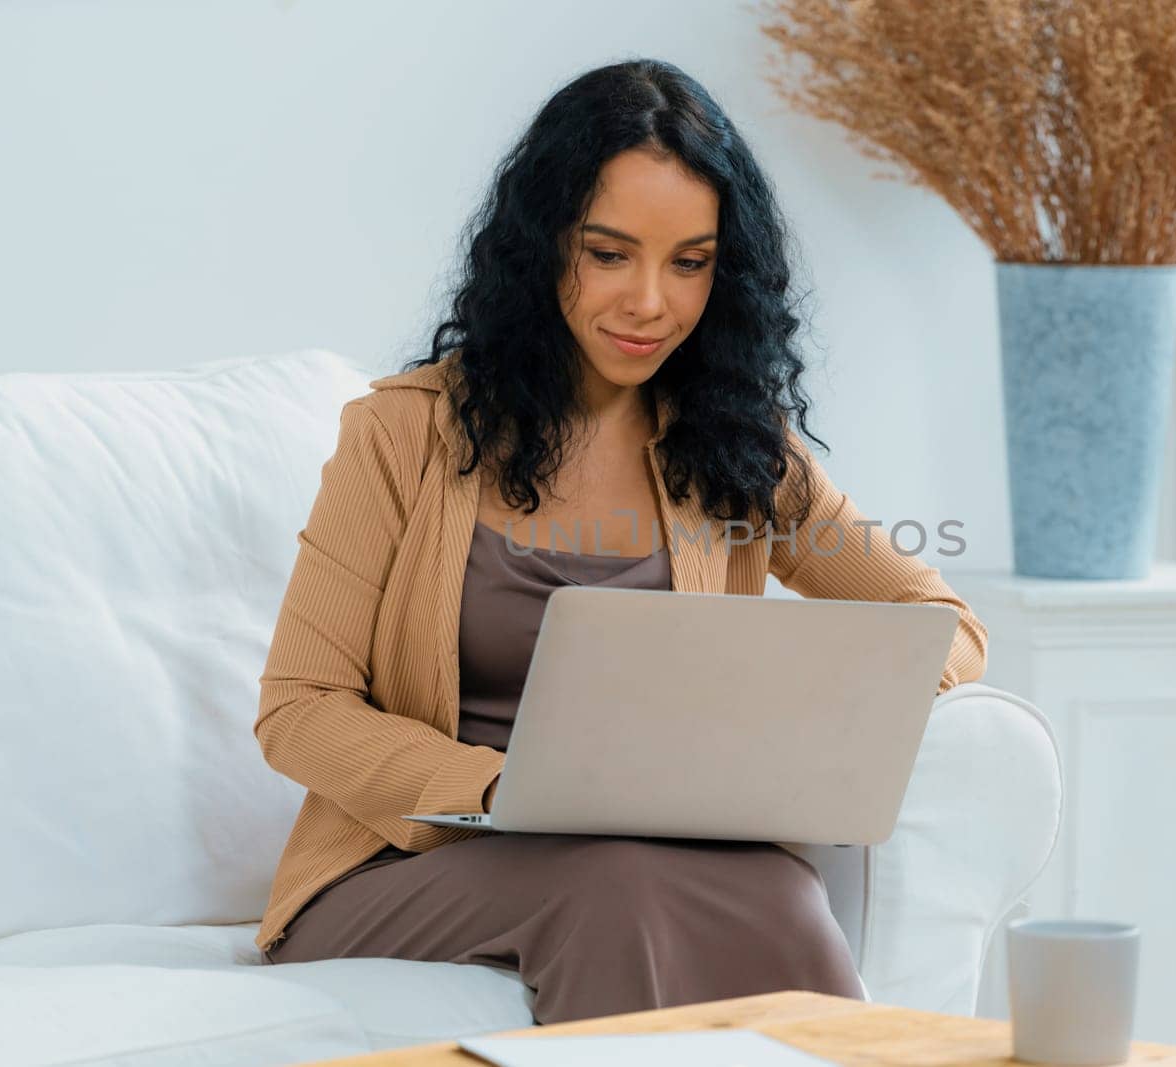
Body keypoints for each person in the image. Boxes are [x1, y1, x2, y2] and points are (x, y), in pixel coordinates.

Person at [252, 57, 989, 1025]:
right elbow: (299, 708)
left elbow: (943, 625)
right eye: (609, 254)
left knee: (779, 889)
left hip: (657, 849)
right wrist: (506, 788)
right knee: (613, 881)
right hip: (411, 863)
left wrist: (779, 719)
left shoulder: (735, 446)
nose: (651, 301)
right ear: (542, 246)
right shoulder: (401, 433)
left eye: (689, 261)